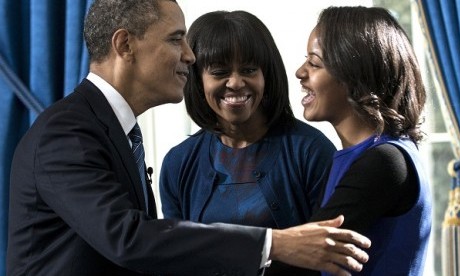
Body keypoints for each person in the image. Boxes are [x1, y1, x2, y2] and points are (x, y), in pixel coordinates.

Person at [6, 1, 371, 275]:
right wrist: (274, 242)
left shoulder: (114, 130)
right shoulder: (67, 133)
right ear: (125, 45)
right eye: (176, 39)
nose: (189, 55)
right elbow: (131, 239)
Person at [159, 10, 336, 275]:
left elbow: (330, 254)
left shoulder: (310, 151)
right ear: (196, 80)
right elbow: (178, 261)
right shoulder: (178, 163)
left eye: (249, 70)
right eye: (219, 72)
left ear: (267, 73)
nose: (235, 83)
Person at [295, 6, 432, 275]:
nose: (301, 72)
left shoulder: (386, 163)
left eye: (314, 63)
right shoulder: (355, 158)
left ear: (353, 75)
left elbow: (300, 260)